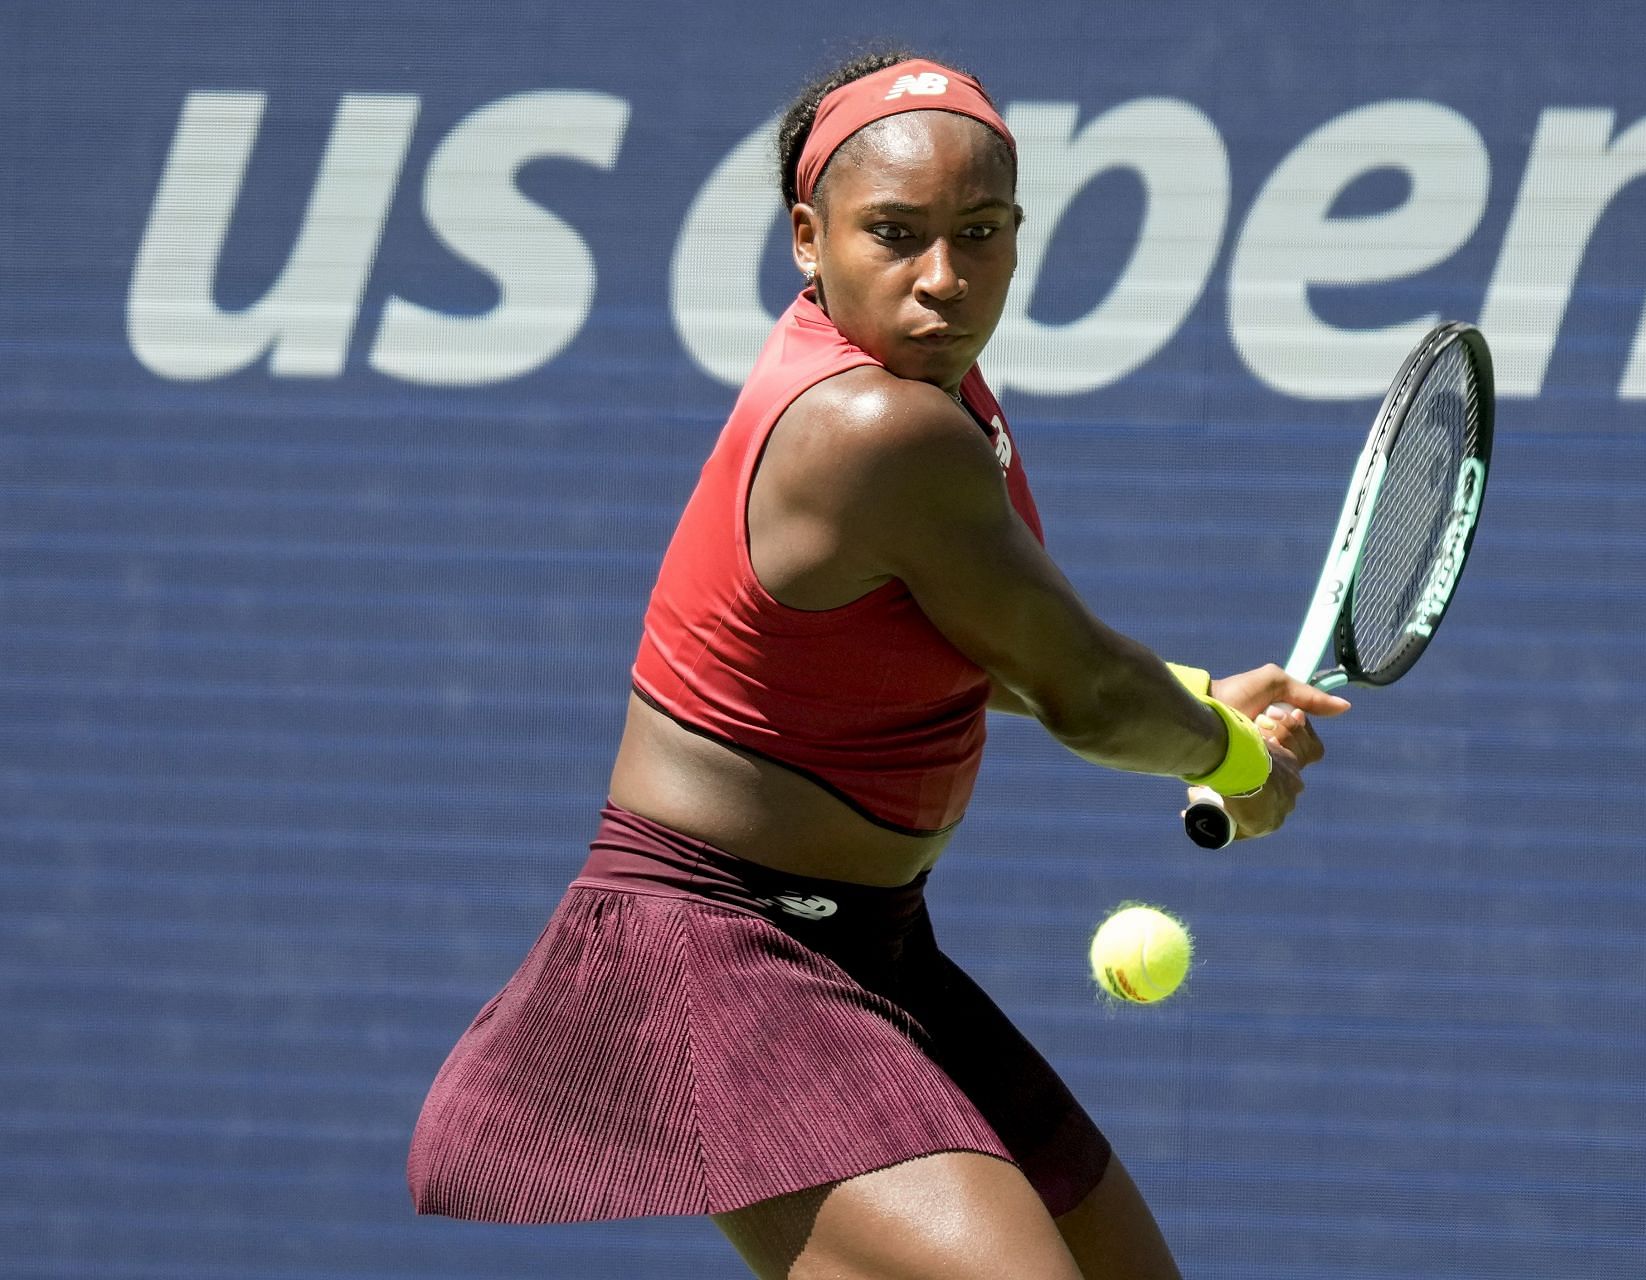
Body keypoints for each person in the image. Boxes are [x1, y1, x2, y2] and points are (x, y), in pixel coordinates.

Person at [408, 49, 1349, 1279]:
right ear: (810, 235)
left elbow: (980, 644)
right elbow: (1083, 691)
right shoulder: (878, 425)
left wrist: (1192, 698)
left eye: (982, 232)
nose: (944, 280)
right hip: (716, 952)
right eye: (895, 235)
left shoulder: (933, 391)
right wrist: (1227, 755)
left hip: (866, 944)